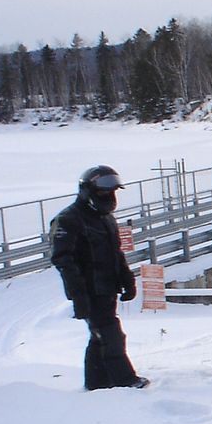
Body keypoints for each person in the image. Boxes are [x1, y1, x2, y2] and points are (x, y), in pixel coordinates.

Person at [50, 165, 149, 390]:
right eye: (104, 191)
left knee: (99, 336)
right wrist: (79, 296)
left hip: (107, 287)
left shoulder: (105, 218)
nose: (109, 196)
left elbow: (116, 252)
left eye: (113, 191)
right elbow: (63, 260)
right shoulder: (69, 219)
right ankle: (124, 380)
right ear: (88, 191)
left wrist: (127, 280)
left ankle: (96, 383)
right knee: (111, 334)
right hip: (89, 289)